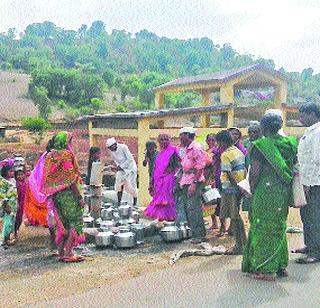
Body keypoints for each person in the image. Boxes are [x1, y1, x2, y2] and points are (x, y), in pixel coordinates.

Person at [241, 113, 297, 280]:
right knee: (279, 225)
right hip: (282, 191)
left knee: (262, 226)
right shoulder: (290, 143)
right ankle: (280, 266)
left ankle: (266, 269)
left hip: (265, 192)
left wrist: (250, 190)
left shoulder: (261, 145)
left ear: (263, 128)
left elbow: (255, 173)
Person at [42, 131, 85, 262]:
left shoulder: (50, 156)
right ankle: (69, 253)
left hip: (56, 195)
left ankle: (61, 253)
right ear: (65, 142)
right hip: (68, 195)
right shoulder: (66, 156)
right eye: (69, 140)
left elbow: (47, 177)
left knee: (63, 224)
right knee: (75, 222)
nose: (70, 143)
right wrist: (79, 197)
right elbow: (70, 179)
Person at [294, 102, 320, 264]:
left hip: (314, 182)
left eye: (303, 115)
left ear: (313, 114)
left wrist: (308, 183)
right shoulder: (309, 132)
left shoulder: (317, 132)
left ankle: (315, 252)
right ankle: (310, 245)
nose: (300, 118)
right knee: (306, 216)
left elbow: (317, 160)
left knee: (313, 217)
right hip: (307, 181)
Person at [216, 130, 246, 255]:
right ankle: (242, 243)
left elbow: (228, 173)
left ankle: (240, 245)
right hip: (238, 187)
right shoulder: (237, 151)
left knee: (234, 216)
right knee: (235, 216)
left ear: (222, 142)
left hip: (230, 189)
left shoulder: (226, 154)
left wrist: (237, 186)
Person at [177, 127, 207, 244]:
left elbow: (199, 167)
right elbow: (182, 165)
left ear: (188, 135)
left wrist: (194, 184)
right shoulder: (183, 148)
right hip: (185, 180)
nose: (179, 138)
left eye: (181, 135)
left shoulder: (196, 148)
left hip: (193, 181)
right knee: (188, 208)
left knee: (193, 208)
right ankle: (194, 233)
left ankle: (199, 235)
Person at [144, 134, 179, 221]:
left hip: (169, 181)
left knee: (168, 202)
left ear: (169, 140)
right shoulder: (159, 154)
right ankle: (163, 223)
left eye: (166, 139)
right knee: (159, 204)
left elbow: (177, 166)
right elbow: (155, 169)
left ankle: (171, 222)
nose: (164, 141)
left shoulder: (173, 151)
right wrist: (151, 183)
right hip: (158, 182)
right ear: (159, 141)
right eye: (162, 140)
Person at [106, 137, 138, 207]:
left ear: (115, 144)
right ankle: (119, 202)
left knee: (131, 185)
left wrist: (121, 166)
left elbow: (130, 159)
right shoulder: (112, 151)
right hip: (121, 169)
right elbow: (116, 161)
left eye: (111, 147)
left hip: (130, 168)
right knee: (118, 184)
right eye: (109, 148)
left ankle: (134, 202)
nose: (111, 149)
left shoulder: (123, 147)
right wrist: (118, 168)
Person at [203, 133, 219, 230]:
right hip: (206, 178)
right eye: (209, 140)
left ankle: (220, 223)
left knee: (215, 201)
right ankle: (214, 222)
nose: (211, 142)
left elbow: (215, 166)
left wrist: (213, 179)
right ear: (206, 141)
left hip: (212, 178)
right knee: (209, 201)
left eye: (213, 140)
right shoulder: (206, 151)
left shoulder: (216, 151)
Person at [0, 160, 17, 248]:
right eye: (10, 171)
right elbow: (2, 194)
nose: (12, 173)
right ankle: (4, 240)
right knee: (7, 223)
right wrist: (6, 205)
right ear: (5, 171)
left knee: (11, 223)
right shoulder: (2, 181)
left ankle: (6, 240)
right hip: (7, 206)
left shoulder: (13, 180)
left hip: (13, 205)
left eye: (13, 171)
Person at [14, 168, 27, 238]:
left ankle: (17, 231)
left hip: (23, 203)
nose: (20, 176)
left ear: (24, 175)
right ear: (15, 176)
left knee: (20, 218)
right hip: (17, 203)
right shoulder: (16, 184)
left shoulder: (25, 183)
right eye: (18, 175)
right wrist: (17, 203)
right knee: (16, 218)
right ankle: (15, 232)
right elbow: (15, 194)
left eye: (22, 174)